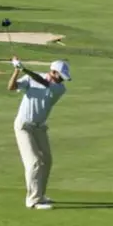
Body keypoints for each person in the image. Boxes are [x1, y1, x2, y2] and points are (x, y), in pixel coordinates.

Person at [8, 57, 71, 210]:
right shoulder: (31, 78)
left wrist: (24, 69)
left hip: (40, 128)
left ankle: (40, 195)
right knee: (34, 162)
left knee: (47, 160)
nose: (62, 80)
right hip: (24, 126)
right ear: (53, 71)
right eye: (60, 76)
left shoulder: (59, 89)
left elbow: (44, 83)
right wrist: (17, 71)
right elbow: (11, 87)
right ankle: (33, 201)